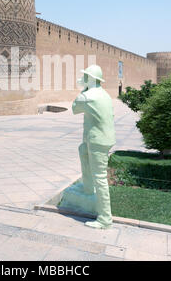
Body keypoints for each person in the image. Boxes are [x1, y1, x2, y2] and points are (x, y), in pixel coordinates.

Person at [72, 65, 116, 229]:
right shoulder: (105, 94)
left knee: (100, 178)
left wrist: (82, 89)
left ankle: (105, 219)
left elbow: (74, 109)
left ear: (90, 79)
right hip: (104, 138)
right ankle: (88, 189)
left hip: (97, 141)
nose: (82, 78)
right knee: (83, 151)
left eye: (85, 76)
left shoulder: (87, 96)